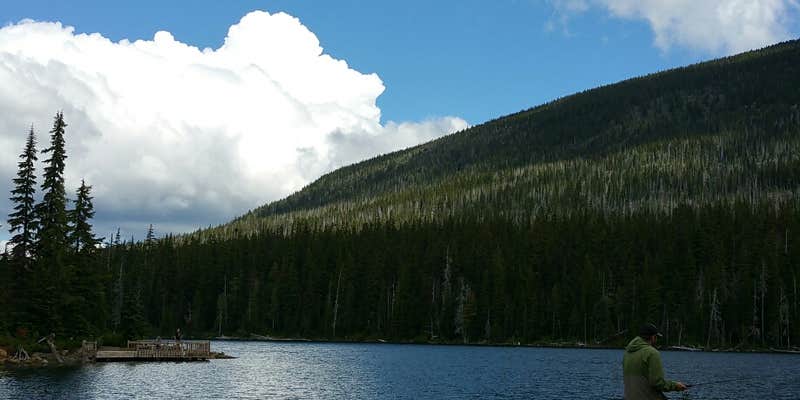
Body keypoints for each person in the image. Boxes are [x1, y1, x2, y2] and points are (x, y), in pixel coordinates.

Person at [622, 323, 688, 400]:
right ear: (653, 337)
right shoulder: (652, 353)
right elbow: (657, 383)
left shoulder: (627, 353)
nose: (656, 339)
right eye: (656, 337)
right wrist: (675, 385)